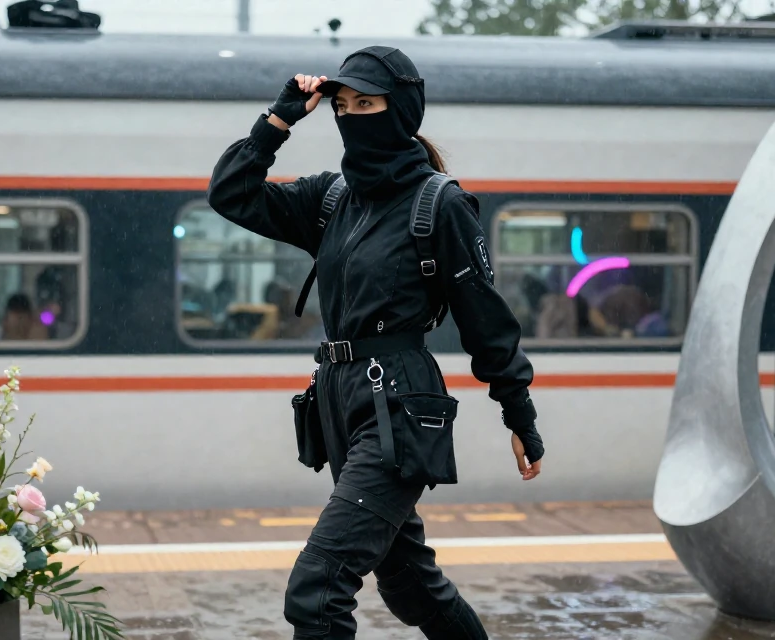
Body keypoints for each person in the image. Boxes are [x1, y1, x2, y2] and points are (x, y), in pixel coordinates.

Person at [207, 46, 545, 640]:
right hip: (338, 398)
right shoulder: (330, 199)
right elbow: (231, 193)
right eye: (342, 105)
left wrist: (519, 414)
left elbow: (486, 323)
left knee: (317, 589)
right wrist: (281, 118)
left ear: (402, 109)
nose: (351, 116)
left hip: (401, 406)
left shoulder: (441, 204)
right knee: (410, 582)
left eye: (366, 103)